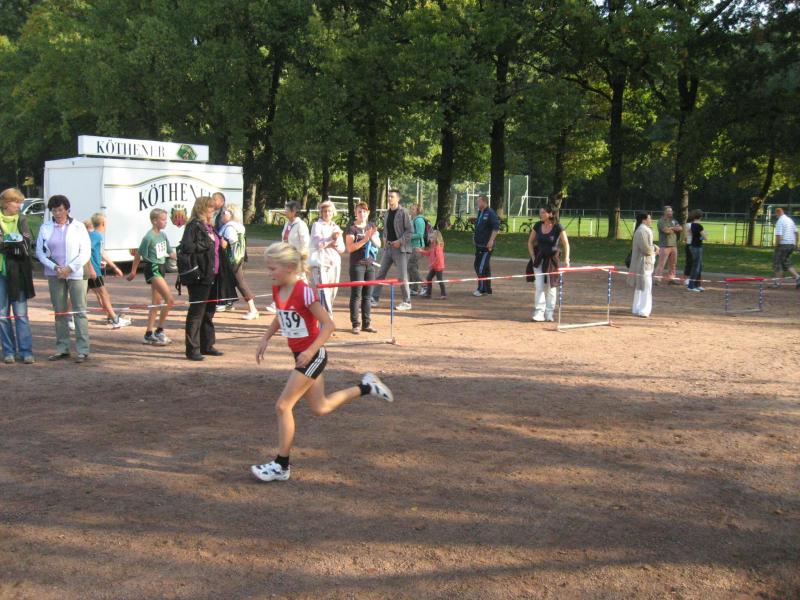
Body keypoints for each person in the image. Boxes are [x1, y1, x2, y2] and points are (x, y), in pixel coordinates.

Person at [251, 242, 394, 482]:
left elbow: (329, 325)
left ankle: (281, 465)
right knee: (321, 407)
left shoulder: (304, 291)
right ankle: (368, 387)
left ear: (289, 267)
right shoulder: (278, 288)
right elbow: (281, 315)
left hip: (313, 356)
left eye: (272, 268)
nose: (269, 273)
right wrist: (265, 337)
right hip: (301, 355)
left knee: (283, 406)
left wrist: (310, 351)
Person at [35, 195, 92, 363]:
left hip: (76, 273)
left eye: (60, 210)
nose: (57, 213)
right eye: (54, 210)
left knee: (79, 311)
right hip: (55, 273)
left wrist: (69, 268)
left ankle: (83, 349)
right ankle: (62, 348)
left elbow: (85, 252)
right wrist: (55, 267)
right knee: (59, 311)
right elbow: (40, 252)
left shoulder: (79, 226)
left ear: (67, 209)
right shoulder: (45, 227)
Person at [179, 196, 236, 361]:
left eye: (213, 207)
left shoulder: (210, 227)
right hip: (200, 275)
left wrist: (220, 243)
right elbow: (187, 247)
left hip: (213, 273)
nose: (213, 210)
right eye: (210, 207)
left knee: (209, 312)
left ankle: (207, 345)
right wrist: (207, 243)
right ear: (201, 209)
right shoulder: (193, 226)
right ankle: (192, 349)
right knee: (196, 312)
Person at [126, 209, 176, 345]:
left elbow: (170, 252)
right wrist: (133, 272)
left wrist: (184, 260)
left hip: (161, 268)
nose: (165, 222)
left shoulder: (163, 235)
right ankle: (159, 331)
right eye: (163, 219)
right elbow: (138, 254)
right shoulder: (149, 237)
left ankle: (148, 333)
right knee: (169, 300)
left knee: (156, 302)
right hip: (153, 268)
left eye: (166, 219)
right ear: (154, 221)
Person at [0, 188, 35, 364]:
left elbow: (26, 245)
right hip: (1, 274)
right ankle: (8, 351)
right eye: (16, 202)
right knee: (1, 315)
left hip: (19, 273)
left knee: (21, 314)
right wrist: (13, 241)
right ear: (6, 203)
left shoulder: (22, 220)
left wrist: (6, 242)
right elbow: (16, 244)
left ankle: (26, 351)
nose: (19, 206)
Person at [370, 189, 413, 311]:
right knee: (381, 273)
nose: (389, 199)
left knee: (402, 276)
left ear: (398, 199)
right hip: (388, 248)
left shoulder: (404, 212)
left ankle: (407, 302)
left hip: (401, 249)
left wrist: (400, 241)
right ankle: (374, 299)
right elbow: (386, 229)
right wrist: (384, 239)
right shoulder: (387, 213)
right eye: (388, 197)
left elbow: (410, 231)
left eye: (392, 197)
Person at [87, 213, 131, 329]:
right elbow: (86, 251)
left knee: (84, 295)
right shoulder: (95, 236)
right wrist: (91, 268)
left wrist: (114, 267)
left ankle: (111, 317)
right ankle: (114, 319)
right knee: (103, 294)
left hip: (93, 270)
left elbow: (102, 253)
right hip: (94, 271)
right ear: (102, 223)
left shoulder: (97, 236)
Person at [266, 200, 310, 313]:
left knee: (300, 279)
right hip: (286, 257)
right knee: (286, 277)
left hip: (296, 258)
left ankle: (307, 300)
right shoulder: (287, 224)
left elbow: (306, 243)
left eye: (287, 210)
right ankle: (278, 303)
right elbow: (284, 240)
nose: (285, 212)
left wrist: (301, 256)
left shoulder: (301, 225)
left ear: (294, 211)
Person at [527, 206, 570, 322]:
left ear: (550, 214)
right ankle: (539, 313)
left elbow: (566, 244)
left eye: (543, 212)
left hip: (552, 260)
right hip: (539, 259)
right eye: (540, 212)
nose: (540, 214)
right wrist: (533, 256)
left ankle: (549, 313)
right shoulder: (537, 225)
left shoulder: (558, 227)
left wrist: (567, 258)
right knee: (539, 286)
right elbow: (530, 242)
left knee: (551, 287)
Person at [218, 203, 259, 319]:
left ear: (231, 214)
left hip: (232, 261)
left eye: (224, 212)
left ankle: (253, 309)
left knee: (240, 283)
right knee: (229, 281)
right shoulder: (237, 226)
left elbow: (227, 245)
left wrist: (219, 242)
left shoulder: (229, 227)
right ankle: (227, 303)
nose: (221, 214)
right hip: (237, 259)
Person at [345, 201, 381, 334]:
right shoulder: (352, 229)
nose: (362, 214)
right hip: (357, 265)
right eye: (359, 211)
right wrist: (364, 240)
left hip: (370, 264)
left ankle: (367, 323)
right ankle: (355, 324)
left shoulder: (371, 226)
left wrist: (371, 237)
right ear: (355, 213)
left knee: (367, 296)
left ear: (368, 212)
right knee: (356, 295)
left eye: (364, 211)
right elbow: (350, 248)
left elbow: (379, 244)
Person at [309, 200, 345, 319]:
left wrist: (336, 244)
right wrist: (331, 239)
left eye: (329, 211)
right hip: (321, 264)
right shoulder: (317, 225)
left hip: (335, 263)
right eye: (324, 211)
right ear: (321, 212)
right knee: (323, 294)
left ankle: (323, 318)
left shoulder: (336, 227)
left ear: (333, 212)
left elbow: (342, 249)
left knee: (332, 294)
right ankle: (327, 321)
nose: (327, 213)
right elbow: (317, 244)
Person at [629, 212, 658, 317]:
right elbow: (646, 249)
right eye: (649, 218)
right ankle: (644, 310)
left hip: (643, 262)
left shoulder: (642, 230)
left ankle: (637, 308)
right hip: (644, 263)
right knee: (645, 286)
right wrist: (655, 249)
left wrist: (653, 247)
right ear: (644, 220)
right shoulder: (642, 231)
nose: (651, 220)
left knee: (640, 286)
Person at [472, 194, 500, 296]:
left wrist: (491, 240)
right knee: (483, 267)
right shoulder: (480, 212)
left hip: (487, 247)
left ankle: (481, 289)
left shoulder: (491, 213)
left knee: (480, 267)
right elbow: (479, 226)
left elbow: (496, 228)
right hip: (479, 245)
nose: (477, 203)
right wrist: (474, 236)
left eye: (478, 201)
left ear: (484, 202)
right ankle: (487, 289)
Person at [771, 207, 799, 288]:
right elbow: (796, 233)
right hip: (791, 244)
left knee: (777, 263)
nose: (776, 216)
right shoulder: (790, 220)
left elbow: (778, 235)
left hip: (783, 244)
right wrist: (796, 244)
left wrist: (776, 245)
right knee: (786, 262)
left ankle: (777, 283)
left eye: (776, 214)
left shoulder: (780, 221)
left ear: (778, 213)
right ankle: (798, 277)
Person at [653, 205, 682, 285]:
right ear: (664, 212)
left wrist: (671, 228)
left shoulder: (674, 220)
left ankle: (671, 279)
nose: (671, 212)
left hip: (674, 245)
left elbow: (680, 228)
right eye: (669, 211)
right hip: (664, 245)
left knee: (673, 264)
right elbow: (666, 231)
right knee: (661, 263)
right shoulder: (661, 221)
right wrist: (674, 228)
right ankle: (657, 279)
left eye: (671, 211)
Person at [416, 229, 447, 299]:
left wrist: (432, 264)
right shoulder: (433, 246)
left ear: (436, 238)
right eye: (430, 237)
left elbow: (438, 258)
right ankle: (428, 293)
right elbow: (429, 253)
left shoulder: (438, 247)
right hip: (434, 266)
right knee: (429, 278)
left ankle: (443, 294)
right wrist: (421, 251)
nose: (430, 239)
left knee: (440, 280)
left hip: (438, 267)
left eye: (432, 237)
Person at [408, 204, 426, 295]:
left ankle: (424, 285)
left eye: (413, 209)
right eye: (411, 208)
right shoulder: (413, 219)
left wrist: (408, 236)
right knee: (411, 267)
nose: (411, 210)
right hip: (412, 247)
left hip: (417, 247)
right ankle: (414, 288)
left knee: (411, 267)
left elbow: (420, 234)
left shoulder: (419, 220)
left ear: (418, 211)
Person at [687, 209, 706, 292]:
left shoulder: (691, 225)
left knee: (698, 266)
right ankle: (691, 286)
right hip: (697, 247)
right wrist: (703, 236)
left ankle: (697, 284)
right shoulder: (699, 226)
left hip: (693, 246)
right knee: (696, 267)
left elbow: (693, 235)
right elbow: (705, 237)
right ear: (700, 217)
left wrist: (700, 237)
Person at [682, 212, 694, 286]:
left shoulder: (688, 224)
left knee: (690, 262)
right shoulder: (690, 225)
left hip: (690, 244)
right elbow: (694, 234)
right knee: (690, 262)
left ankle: (688, 278)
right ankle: (686, 279)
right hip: (690, 245)